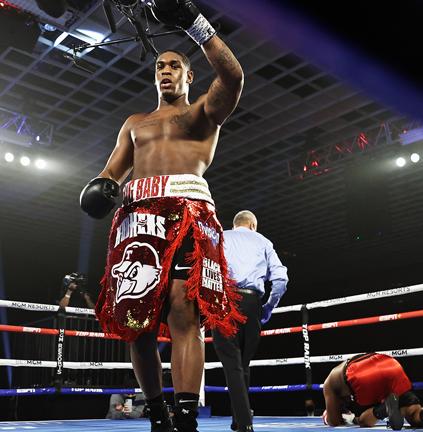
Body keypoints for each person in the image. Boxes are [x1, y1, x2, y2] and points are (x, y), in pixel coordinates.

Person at [79, 1, 245, 431]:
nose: (165, 70)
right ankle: (157, 416)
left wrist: (195, 25)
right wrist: (99, 188)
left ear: (189, 75)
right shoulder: (135, 122)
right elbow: (111, 171)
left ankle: (186, 417)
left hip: (188, 209)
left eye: (174, 65)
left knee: (184, 315)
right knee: (137, 324)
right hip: (137, 215)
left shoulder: (201, 114)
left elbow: (234, 77)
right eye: (159, 67)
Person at [211, 210, 289, 432]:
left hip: (225, 301)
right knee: (243, 363)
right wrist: (268, 307)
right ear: (253, 225)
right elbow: (281, 279)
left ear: (235, 224)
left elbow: (207, 271)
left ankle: (244, 422)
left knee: (232, 362)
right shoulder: (263, 241)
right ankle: (238, 420)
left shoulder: (220, 237)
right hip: (253, 304)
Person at [323, 353, 423, 430]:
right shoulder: (340, 380)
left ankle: (385, 409)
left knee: (363, 421)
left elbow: (334, 422)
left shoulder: (328, 384)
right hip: (389, 362)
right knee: (413, 414)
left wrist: (335, 416)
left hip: (360, 372)